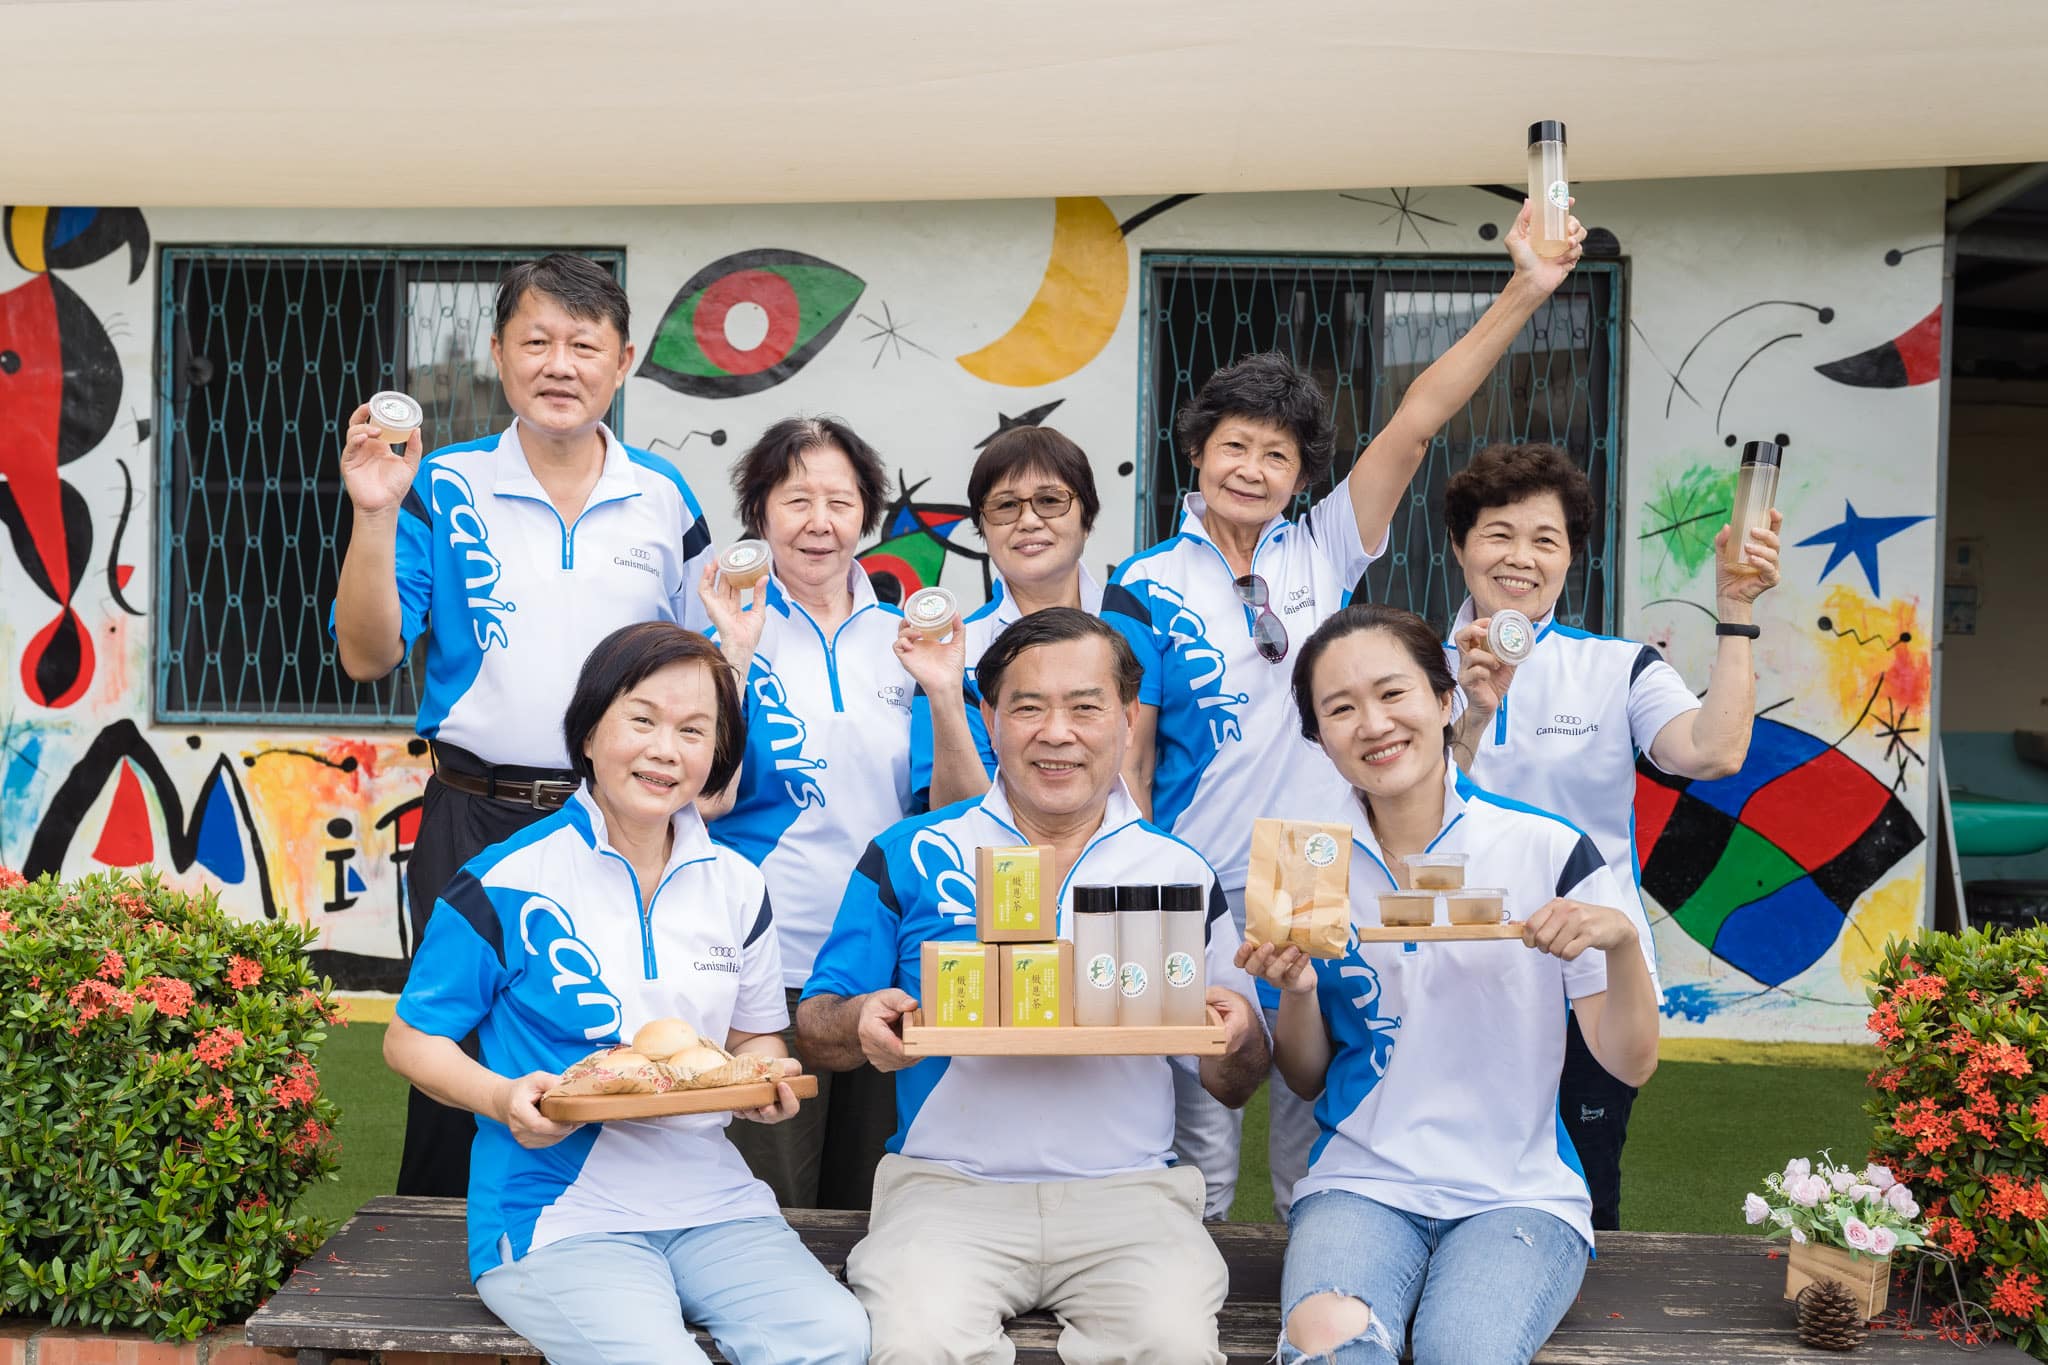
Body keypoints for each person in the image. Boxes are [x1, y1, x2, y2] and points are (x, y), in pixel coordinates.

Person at [1103, 199, 1587, 1219]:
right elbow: (1128, 750)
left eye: (1277, 458)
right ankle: (1177, 1290)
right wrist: (1135, 866)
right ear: (1198, 451)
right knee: (1187, 1117)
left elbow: (1415, 421)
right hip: (1185, 867)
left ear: (1298, 479)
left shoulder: (1319, 547)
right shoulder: (1139, 581)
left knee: (1309, 1107)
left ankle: (1313, 1277)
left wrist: (1525, 290)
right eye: (1235, 447)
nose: (1253, 470)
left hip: (1312, 857)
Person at [334, 252, 717, 1197]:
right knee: (451, 1057)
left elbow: (705, 671)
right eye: (535, 341)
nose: (560, 364)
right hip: (475, 815)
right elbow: (367, 654)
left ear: (622, 362)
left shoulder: (667, 500)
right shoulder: (445, 483)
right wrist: (373, 516)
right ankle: (429, 1280)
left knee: (616, 1044)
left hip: (621, 822)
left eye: (583, 345)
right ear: (500, 357)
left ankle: (603, 1238)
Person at [382, 622, 869, 1365]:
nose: (665, 749)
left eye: (693, 730)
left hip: (715, 1204)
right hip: (555, 1212)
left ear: (718, 755)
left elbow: (756, 1038)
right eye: (641, 719)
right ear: (587, 733)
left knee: (836, 1338)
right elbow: (410, 1038)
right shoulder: (505, 879)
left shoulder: (739, 885)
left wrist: (763, 1077)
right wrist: (500, 1095)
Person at [798, 609, 1270, 1365]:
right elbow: (816, 1022)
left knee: (1174, 1344)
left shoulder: (1178, 871)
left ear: (1125, 719)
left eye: (1086, 706)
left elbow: (1235, 1081)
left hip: (1131, 1198)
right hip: (947, 1193)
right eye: (1027, 706)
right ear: (989, 717)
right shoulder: (912, 850)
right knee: (916, 1342)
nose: (1058, 732)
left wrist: (1240, 1029)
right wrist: (860, 1017)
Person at [1241, 604, 1658, 1364]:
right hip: (1360, 1182)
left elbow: (1630, 1061)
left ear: (1443, 702)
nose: (1372, 723)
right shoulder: (1304, 859)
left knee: (1463, 1351)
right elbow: (1304, 1077)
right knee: (1330, 1349)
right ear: (1319, 737)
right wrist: (1297, 991)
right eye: (1340, 707)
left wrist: (1623, 944)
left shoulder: (1548, 847)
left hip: (1519, 1192)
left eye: (1393, 693)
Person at [1443, 442, 1782, 1228]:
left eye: (1545, 539)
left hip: (1587, 974)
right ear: (1460, 545)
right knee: (1444, 1177)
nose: (1520, 557)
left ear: (1570, 561)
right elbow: (1404, 811)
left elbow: (1714, 750)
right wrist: (1472, 713)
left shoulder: (1618, 667)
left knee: (1585, 1192)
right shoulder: (1412, 663)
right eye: (1498, 533)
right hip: (1450, 967)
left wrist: (1737, 610)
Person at [699, 416, 917, 1210]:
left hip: (881, 965)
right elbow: (704, 796)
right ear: (759, 513)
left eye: (841, 500)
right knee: (768, 1198)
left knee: (876, 1199)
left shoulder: (907, 642)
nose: (819, 522)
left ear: (868, 515)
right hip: (764, 965)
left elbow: (946, 806)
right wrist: (736, 652)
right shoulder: (717, 642)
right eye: (797, 500)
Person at [905, 424, 1105, 807]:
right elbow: (953, 815)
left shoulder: (1141, 628)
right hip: (1003, 866)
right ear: (982, 526)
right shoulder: (956, 656)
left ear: (1087, 518)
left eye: (1050, 501)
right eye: (1005, 506)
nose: (1028, 521)